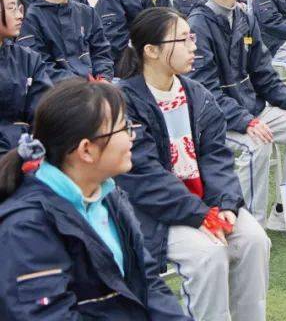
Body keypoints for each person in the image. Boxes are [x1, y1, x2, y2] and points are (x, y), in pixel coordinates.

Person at [116, 8, 270, 321]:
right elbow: (143, 177)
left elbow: (217, 155)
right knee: (208, 254)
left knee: (254, 240)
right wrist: (201, 215)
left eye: (192, 37)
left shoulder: (197, 94)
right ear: (152, 51)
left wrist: (224, 203)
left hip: (203, 203)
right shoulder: (124, 102)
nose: (193, 47)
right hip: (153, 214)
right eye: (183, 40)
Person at [0, 79, 191, 320]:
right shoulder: (25, 229)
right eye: (124, 128)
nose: (132, 137)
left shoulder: (108, 196)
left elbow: (147, 283)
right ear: (86, 150)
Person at [187, 0, 286, 225]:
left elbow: (262, 71)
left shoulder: (243, 16)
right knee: (256, 146)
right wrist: (245, 121)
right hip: (218, 118)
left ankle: (285, 212)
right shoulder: (199, 25)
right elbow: (206, 92)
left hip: (250, 107)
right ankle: (249, 224)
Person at [19, 0, 113, 81]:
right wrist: (80, 84)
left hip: (93, 88)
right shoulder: (32, 18)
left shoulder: (87, 13)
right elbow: (40, 64)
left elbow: (101, 52)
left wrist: (103, 78)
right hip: (58, 92)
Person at [0, 0, 52, 152]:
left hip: (23, 149)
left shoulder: (28, 58)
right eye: (11, 9)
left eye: (19, 8)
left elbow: (42, 114)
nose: (20, 16)